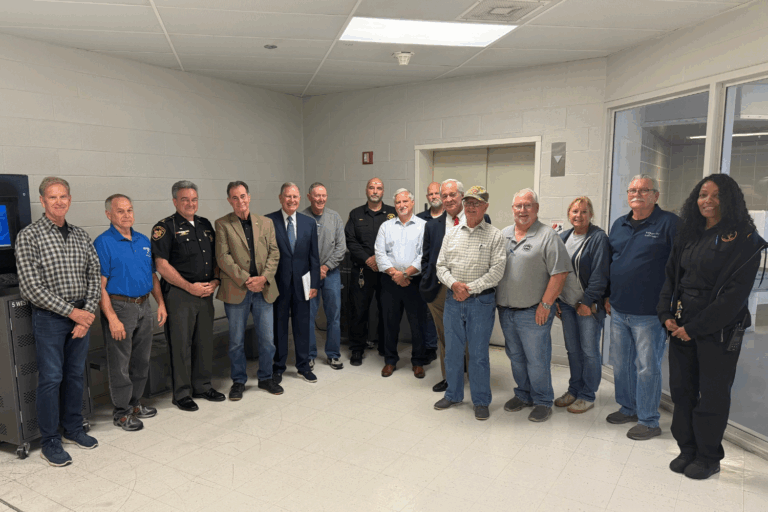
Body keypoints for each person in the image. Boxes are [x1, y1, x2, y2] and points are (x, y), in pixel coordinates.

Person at [658, 174, 766, 479]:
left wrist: (694, 327)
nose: (708, 201)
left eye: (716, 195)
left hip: (719, 330)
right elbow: (671, 277)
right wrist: (665, 313)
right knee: (682, 392)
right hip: (680, 326)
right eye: (703, 194)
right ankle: (687, 449)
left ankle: (708, 457)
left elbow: (734, 296)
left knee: (713, 395)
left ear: (729, 200)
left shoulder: (745, 239)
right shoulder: (689, 233)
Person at [16, 176, 101, 466]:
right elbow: (31, 287)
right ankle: (50, 440)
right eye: (52, 197)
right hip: (50, 318)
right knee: (52, 378)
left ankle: (73, 429)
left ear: (70, 199)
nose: (59, 201)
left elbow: (94, 275)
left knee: (75, 375)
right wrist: (72, 313)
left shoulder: (80, 236)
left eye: (63, 196)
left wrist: (85, 316)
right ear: (42, 201)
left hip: (81, 317)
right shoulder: (29, 236)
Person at [607, 174, 678, 440]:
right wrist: (607, 296)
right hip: (618, 309)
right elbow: (613, 261)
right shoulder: (619, 224)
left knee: (647, 367)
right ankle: (629, 408)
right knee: (621, 364)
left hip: (650, 312)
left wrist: (671, 306)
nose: (637, 194)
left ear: (655, 195)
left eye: (644, 190)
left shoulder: (669, 224)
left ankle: (649, 420)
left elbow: (680, 267)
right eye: (632, 190)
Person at [497, 188, 571, 423]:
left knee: (537, 360)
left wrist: (546, 305)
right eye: (518, 206)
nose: (523, 210)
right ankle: (523, 394)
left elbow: (559, 273)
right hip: (506, 310)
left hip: (534, 312)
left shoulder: (547, 236)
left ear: (536, 208)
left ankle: (542, 400)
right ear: (512, 209)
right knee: (516, 357)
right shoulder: (504, 234)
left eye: (527, 205)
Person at [94, 194, 167, 431]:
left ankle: (135, 404)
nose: (127, 215)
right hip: (120, 308)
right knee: (120, 363)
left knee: (141, 360)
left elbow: (152, 276)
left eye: (129, 210)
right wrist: (112, 319)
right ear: (109, 214)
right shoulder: (103, 243)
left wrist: (160, 304)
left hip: (144, 305)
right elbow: (100, 286)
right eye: (120, 211)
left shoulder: (143, 240)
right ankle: (122, 412)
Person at [433, 186, 505, 420]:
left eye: (477, 203)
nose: (471, 207)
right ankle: (453, 394)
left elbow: (497, 271)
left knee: (478, 354)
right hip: (453, 301)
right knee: (452, 352)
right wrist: (454, 285)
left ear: (485, 206)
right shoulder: (452, 234)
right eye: (468, 203)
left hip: (480, 303)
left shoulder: (495, 235)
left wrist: (468, 289)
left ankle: (481, 400)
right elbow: (440, 266)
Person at [152, 180, 224, 412]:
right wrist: (189, 287)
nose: (190, 203)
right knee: (180, 344)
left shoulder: (205, 224)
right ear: (175, 201)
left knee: (204, 342)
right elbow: (161, 265)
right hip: (180, 295)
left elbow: (215, 257)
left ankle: (202, 386)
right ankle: (181, 393)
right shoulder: (165, 227)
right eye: (185, 199)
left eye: (194, 199)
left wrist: (215, 280)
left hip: (205, 293)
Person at [215, 181, 283, 399]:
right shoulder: (222, 224)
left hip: (263, 289)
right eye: (235, 198)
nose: (240, 201)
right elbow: (223, 257)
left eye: (243, 196)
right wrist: (246, 280)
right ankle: (238, 381)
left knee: (268, 340)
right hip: (237, 290)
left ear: (249, 197)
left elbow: (274, 253)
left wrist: (263, 278)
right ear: (229, 200)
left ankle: (266, 377)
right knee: (236, 342)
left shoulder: (266, 223)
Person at [420, 179, 490, 392]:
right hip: (440, 289)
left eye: (453, 195)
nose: (448, 199)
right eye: (444, 195)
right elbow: (427, 258)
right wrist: (428, 282)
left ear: (461, 196)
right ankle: (450, 378)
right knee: (446, 337)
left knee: (471, 336)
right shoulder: (432, 225)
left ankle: (471, 375)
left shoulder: (481, 219)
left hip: (471, 288)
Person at [553, 196, 610, 414]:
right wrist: (556, 299)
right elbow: (556, 271)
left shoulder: (598, 238)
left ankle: (587, 394)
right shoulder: (563, 237)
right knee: (573, 351)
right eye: (575, 211)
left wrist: (587, 302)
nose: (579, 215)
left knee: (589, 351)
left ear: (591, 215)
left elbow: (600, 274)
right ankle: (574, 390)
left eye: (584, 212)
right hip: (566, 304)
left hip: (587, 306)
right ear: (569, 214)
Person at [265, 183, 319, 383]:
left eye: (295, 197)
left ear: (300, 199)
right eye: (288, 196)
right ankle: (278, 367)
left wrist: (314, 284)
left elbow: (314, 257)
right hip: (278, 284)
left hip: (302, 285)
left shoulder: (309, 223)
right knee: (279, 326)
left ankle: (303, 366)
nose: (292, 200)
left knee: (302, 326)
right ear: (281, 198)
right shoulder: (268, 221)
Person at [374, 188, 429, 378]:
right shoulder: (386, 226)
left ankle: (418, 362)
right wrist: (396, 274)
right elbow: (380, 254)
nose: (401, 205)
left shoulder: (423, 226)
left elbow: (424, 255)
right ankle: (390, 360)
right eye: (398, 202)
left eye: (405, 201)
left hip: (415, 282)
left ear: (412, 203)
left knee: (418, 324)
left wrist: (405, 274)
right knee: (389, 323)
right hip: (390, 282)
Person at [345, 178, 396, 366]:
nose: (375, 191)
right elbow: (351, 241)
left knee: (387, 310)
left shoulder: (393, 213)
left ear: (383, 191)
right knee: (358, 311)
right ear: (366, 190)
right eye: (372, 188)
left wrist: (380, 260)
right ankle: (357, 349)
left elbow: (398, 240)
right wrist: (368, 259)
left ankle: (385, 347)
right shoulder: (356, 214)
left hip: (386, 272)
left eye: (379, 188)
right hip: (362, 271)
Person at [302, 182, 346, 370]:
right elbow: (298, 248)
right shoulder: (301, 218)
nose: (321, 199)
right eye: (317, 195)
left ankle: (333, 355)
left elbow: (341, 247)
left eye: (324, 195)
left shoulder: (334, 217)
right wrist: (314, 269)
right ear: (309, 197)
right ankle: (309, 355)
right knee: (308, 315)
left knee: (334, 316)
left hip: (331, 273)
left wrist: (326, 267)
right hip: (308, 275)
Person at [415, 181, 443, 363]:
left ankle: (455, 351)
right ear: (427, 197)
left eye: (437, 193)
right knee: (427, 313)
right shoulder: (420, 218)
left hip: (449, 275)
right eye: (430, 194)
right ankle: (430, 347)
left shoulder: (451, 218)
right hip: (428, 274)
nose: (434, 196)